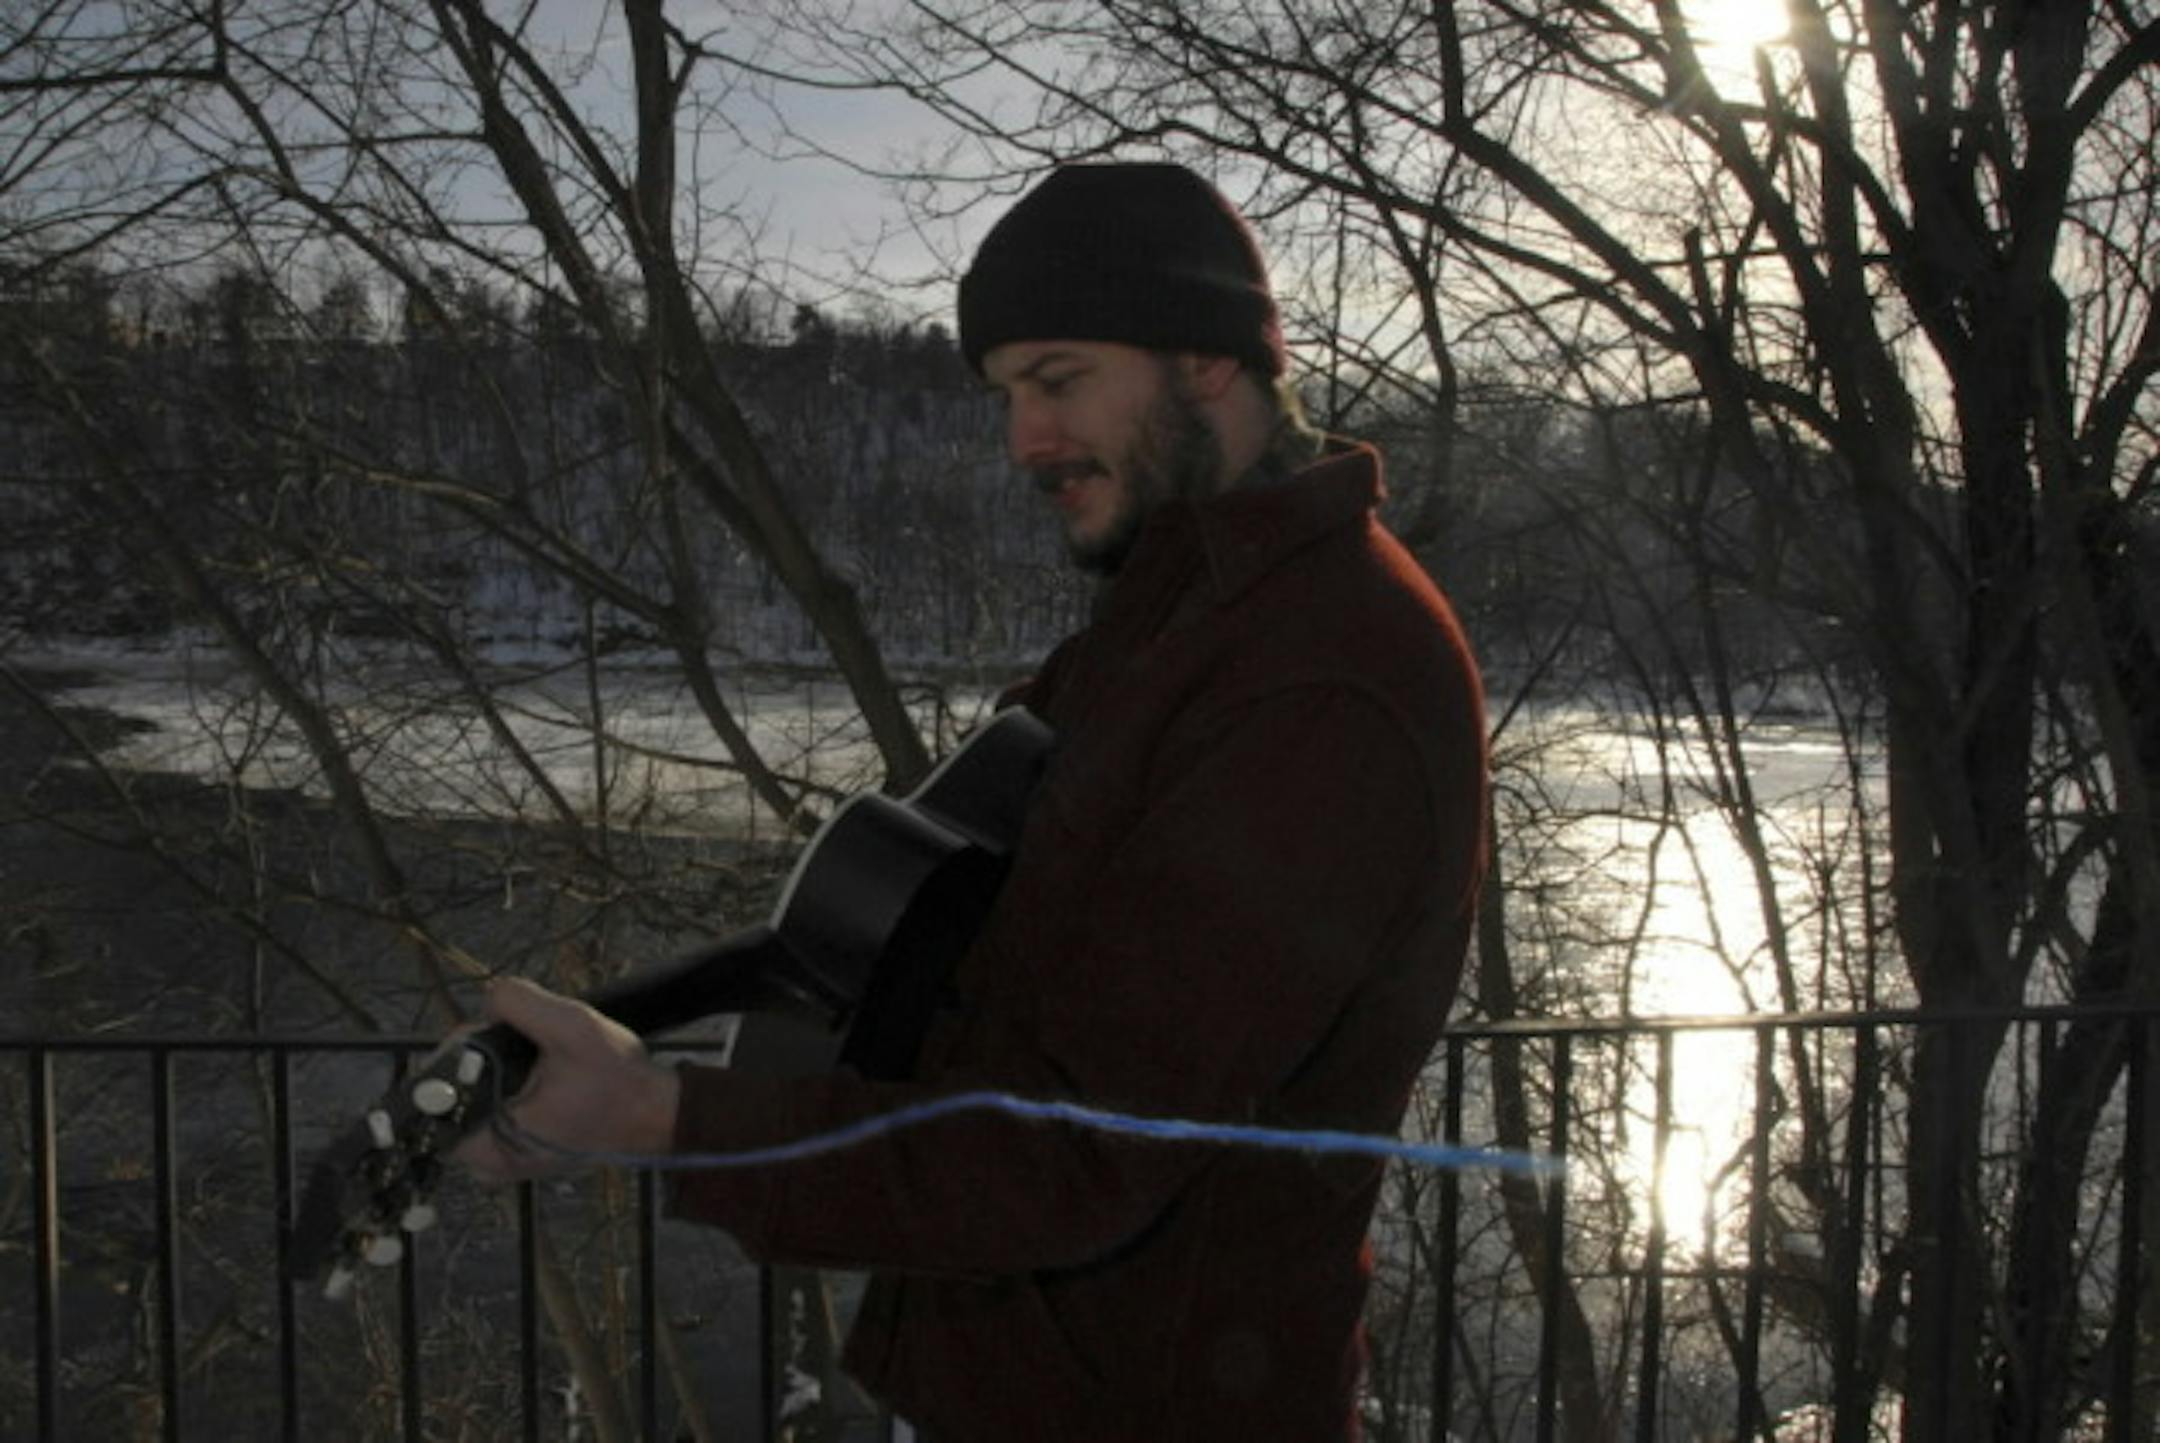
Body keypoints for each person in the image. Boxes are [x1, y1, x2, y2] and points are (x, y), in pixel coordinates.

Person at [462, 161, 1488, 1442]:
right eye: (1007, 395)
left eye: (1058, 380)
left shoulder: (1322, 678)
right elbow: (972, 957)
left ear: (1210, 359)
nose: (1024, 442)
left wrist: (669, 1118)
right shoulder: (1178, 622)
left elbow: (1081, 1152)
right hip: (1017, 1385)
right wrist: (622, 1064)